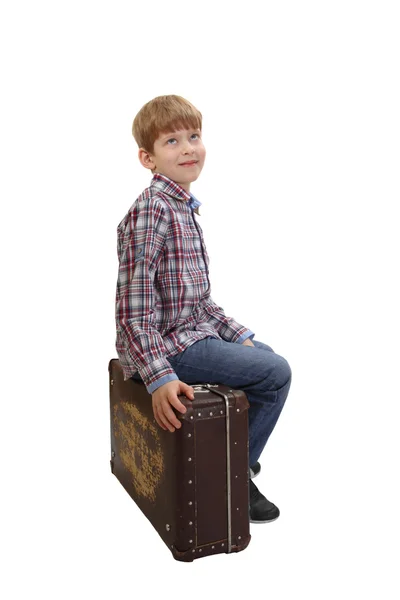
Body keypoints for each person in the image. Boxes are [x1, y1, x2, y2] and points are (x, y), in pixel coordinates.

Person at [115, 94, 292, 523]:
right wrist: (159, 378)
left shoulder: (182, 208)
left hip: (188, 333)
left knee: (263, 357)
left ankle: (238, 454)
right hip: (167, 346)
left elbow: (198, 303)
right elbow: (132, 311)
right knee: (277, 373)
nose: (189, 148)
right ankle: (231, 472)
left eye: (193, 136)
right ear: (148, 157)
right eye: (172, 141)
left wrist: (239, 334)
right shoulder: (152, 210)